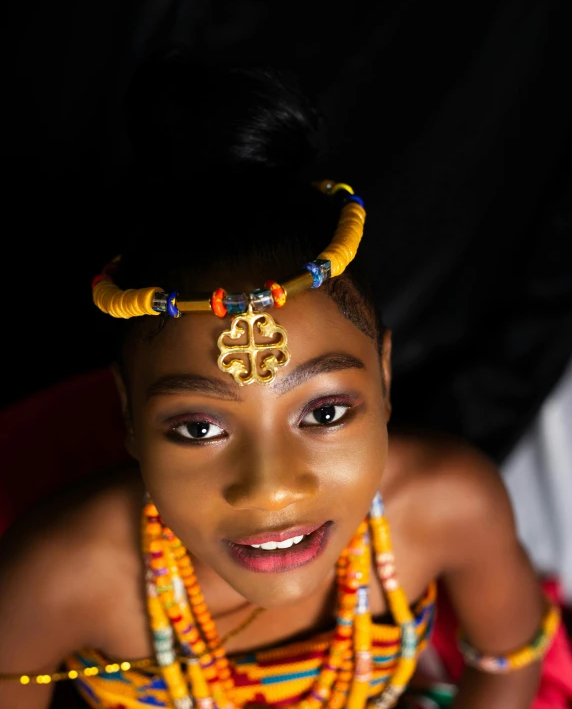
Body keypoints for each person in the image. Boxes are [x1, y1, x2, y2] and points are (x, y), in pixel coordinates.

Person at [0, 45, 570, 709]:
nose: (271, 488)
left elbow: (508, 659)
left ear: (383, 377)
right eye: (199, 425)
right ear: (127, 413)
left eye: (324, 413)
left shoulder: (450, 505)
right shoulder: (59, 576)